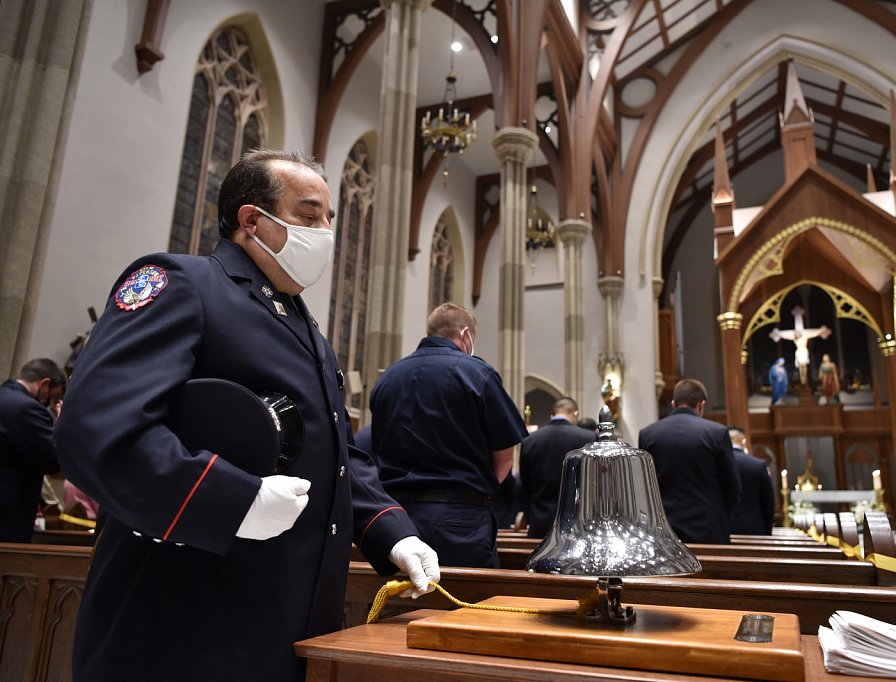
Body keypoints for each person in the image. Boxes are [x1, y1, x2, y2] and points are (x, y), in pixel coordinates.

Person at [54, 149, 439, 682]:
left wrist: (390, 531)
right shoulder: (182, 284)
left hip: (285, 618)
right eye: (309, 216)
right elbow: (98, 429)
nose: (325, 231)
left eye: (329, 218)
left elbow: (335, 452)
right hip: (182, 619)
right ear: (252, 220)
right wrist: (233, 500)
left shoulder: (307, 330)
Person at [370, 302, 528, 568]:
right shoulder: (477, 373)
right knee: (470, 604)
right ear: (465, 335)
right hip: (460, 521)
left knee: (400, 605)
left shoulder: (388, 378)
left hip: (396, 520)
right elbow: (504, 458)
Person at [638, 379, 740, 544]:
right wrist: (720, 517)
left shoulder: (648, 434)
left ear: (673, 403)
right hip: (709, 530)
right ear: (701, 405)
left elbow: (645, 486)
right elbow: (733, 486)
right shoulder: (717, 433)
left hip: (664, 532)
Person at [0, 358, 66, 542]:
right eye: (52, 397)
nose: (49, 405)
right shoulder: (28, 409)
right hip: (8, 514)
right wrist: (60, 428)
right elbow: (53, 461)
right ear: (44, 383)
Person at [519, 397, 597, 539]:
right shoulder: (589, 438)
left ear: (552, 415)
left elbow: (525, 485)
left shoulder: (530, 441)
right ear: (575, 414)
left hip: (541, 524)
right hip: (579, 525)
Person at [726, 426, 775, 535]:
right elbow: (768, 501)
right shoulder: (758, 465)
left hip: (724, 529)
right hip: (754, 528)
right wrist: (767, 530)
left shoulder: (715, 465)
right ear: (743, 441)